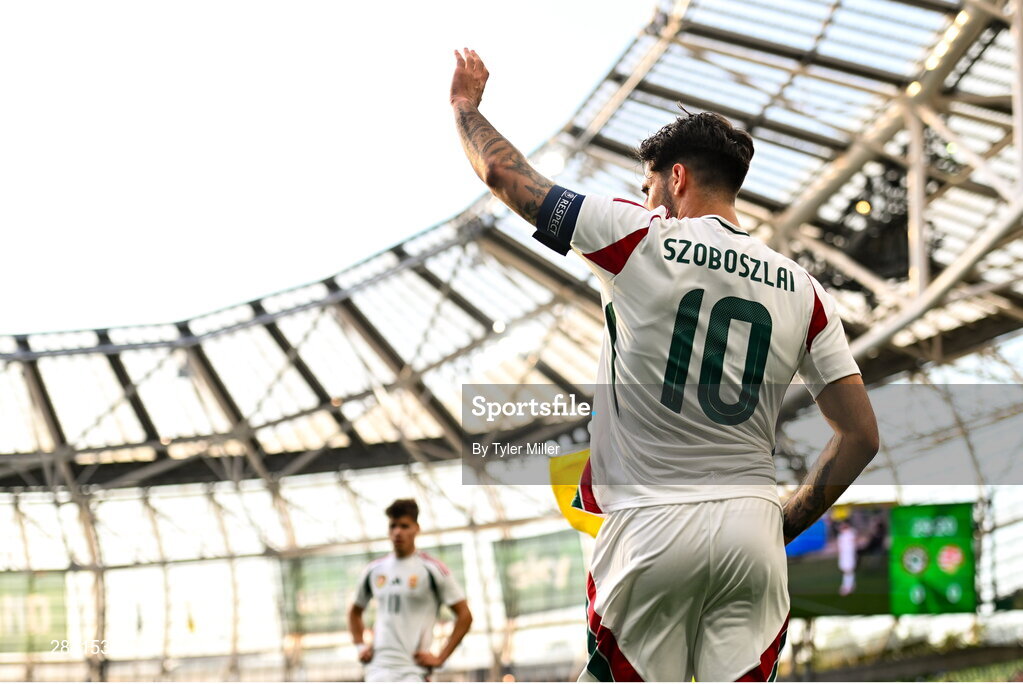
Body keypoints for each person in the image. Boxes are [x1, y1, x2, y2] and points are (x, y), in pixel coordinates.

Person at [449, 49, 879, 681]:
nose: (649, 199)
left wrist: (464, 108)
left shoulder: (639, 237)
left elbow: (505, 177)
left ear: (676, 178)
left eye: (651, 186)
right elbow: (862, 436)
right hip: (752, 535)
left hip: (651, 529)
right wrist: (781, 523)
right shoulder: (805, 291)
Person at [348, 499, 472, 682]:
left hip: (413, 670)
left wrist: (440, 658)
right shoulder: (374, 570)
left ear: (417, 528)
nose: (398, 532)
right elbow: (354, 612)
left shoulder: (433, 569)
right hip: (378, 668)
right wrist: (360, 646)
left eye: (405, 526)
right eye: (393, 526)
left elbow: (465, 615)